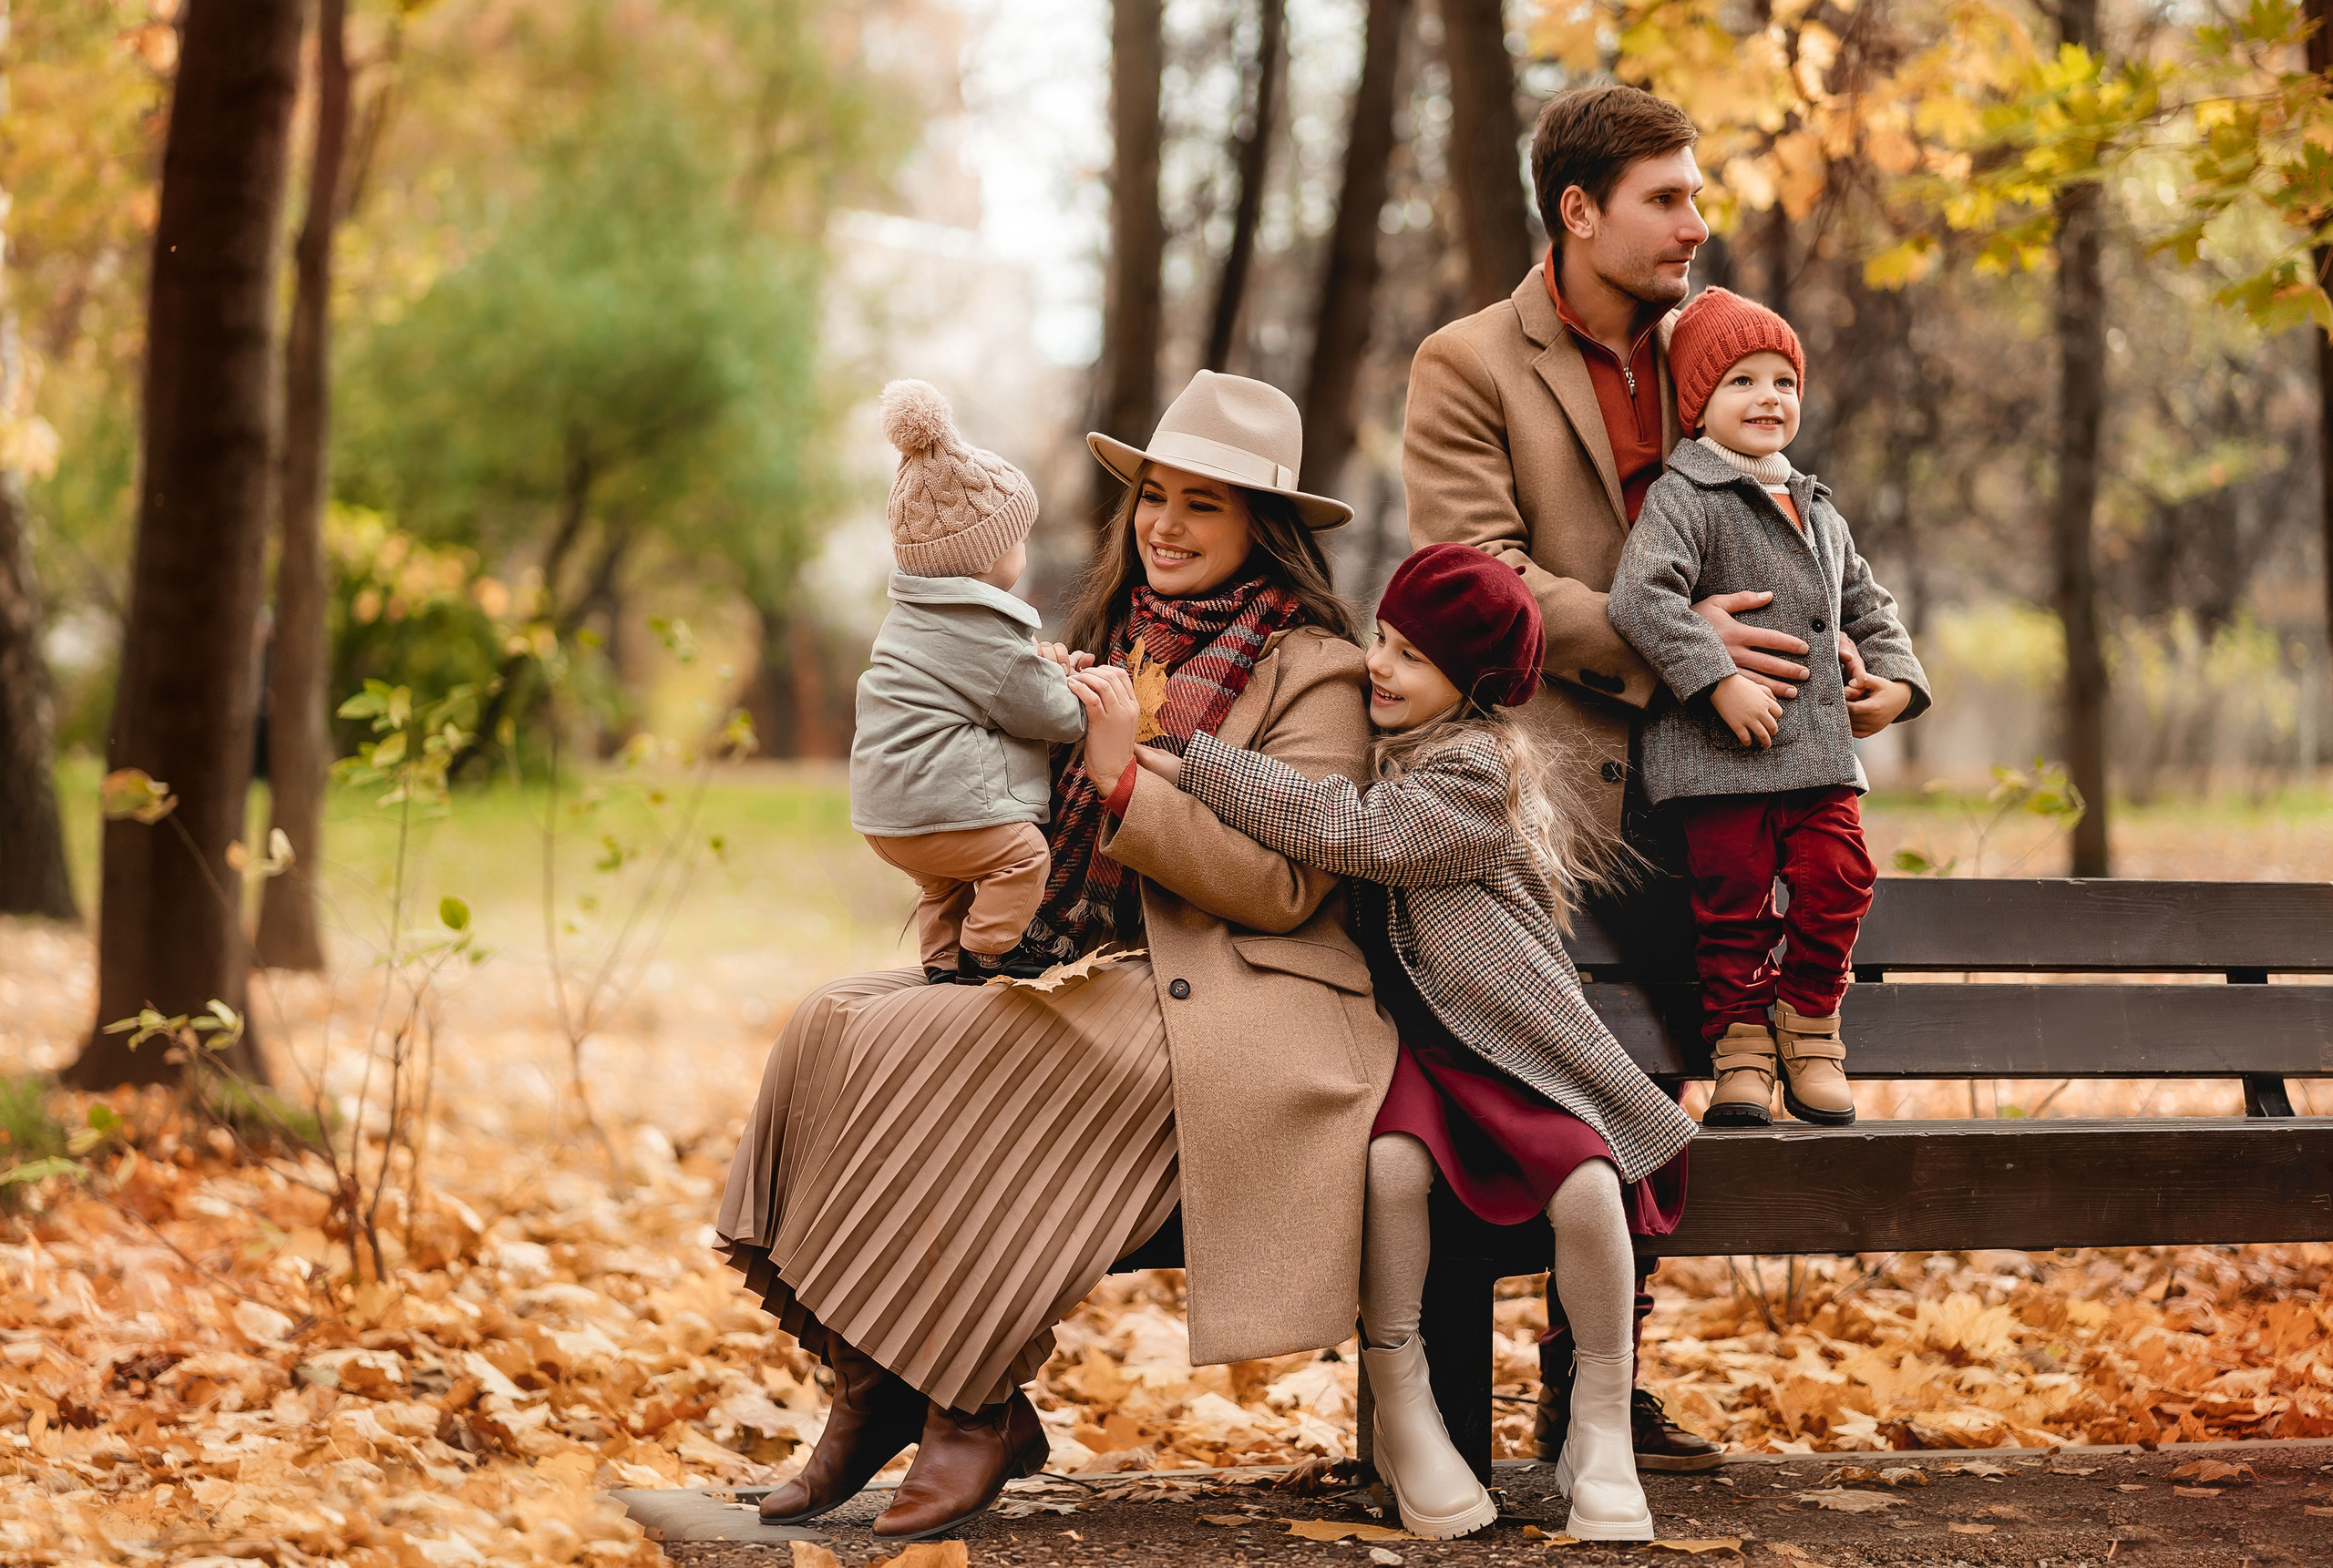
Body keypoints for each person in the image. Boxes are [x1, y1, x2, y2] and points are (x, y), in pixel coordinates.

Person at [717, 369, 1396, 1541]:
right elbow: (992, 800)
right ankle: (871, 1383)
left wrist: (1129, 774)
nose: (1165, 526)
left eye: (1204, 505)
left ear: (1263, 530)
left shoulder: (1312, 669)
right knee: (838, 1019)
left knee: (969, 1043)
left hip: (1233, 992)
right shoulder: (1094, 641)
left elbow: (1289, 891)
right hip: (1080, 953)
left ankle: (971, 1401)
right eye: (1153, 497)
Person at [1106, 542, 1695, 1541]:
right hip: (1413, 1054)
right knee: (1384, 1170)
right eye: (1381, 637)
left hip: (1510, 1051)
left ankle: (1601, 1416)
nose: (1378, 663)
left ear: (1469, 687)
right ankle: (1403, 1396)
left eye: (1411, 656)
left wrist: (1190, 758)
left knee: (1588, 1185)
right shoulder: (1389, 748)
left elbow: (1351, 832)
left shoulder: (1473, 772)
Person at [1404, 80, 1763, 1473]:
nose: (1697, 222)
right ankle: (1432, 1419)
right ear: (1578, 210)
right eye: (1667, 198)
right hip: (1535, 794)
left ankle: (1590, 1390)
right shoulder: (1468, 361)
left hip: (1709, 783)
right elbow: (1479, 578)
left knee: (1656, 1071)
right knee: (1513, 1069)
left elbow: (1776, 515)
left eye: (1695, 192)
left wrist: (1838, 654)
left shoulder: (1714, 346)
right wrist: (1672, 644)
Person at [1606, 289, 1927, 1127]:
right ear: (1699, 404)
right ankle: (1742, 1049)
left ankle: (1811, 1026)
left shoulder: (1818, 506)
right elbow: (1642, 599)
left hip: (1818, 756)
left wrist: (1893, 682)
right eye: (1742, 381)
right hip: (1722, 761)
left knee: (1842, 875)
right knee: (1732, 903)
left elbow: (1870, 606)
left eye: (1783, 380)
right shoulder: (1687, 496)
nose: (1768, 398)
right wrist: (1715, 679)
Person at [849, 380, 1087, 985]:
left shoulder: (918, 620)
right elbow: (1048, 712)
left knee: (945, 884)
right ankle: (988, 954)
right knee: (1022, 856)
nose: (1024, 550)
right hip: (936, 804)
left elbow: (989, 685)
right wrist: (1075, 694)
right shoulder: (979, 631)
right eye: (1018, 538)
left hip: (890, 812)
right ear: (983, 558)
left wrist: (1041, 667)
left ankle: (942, 965)